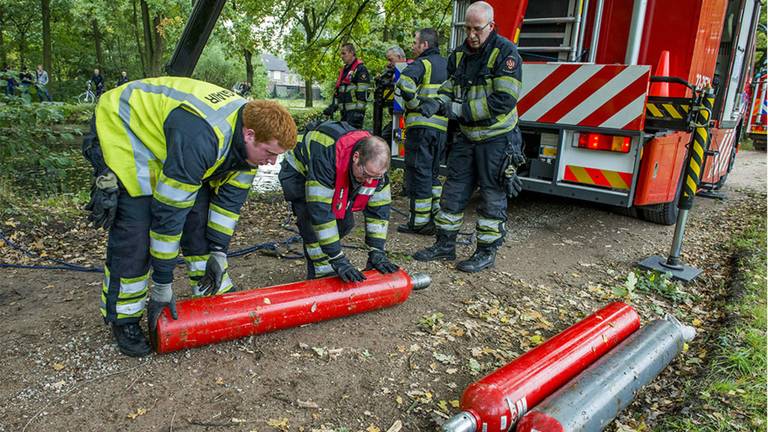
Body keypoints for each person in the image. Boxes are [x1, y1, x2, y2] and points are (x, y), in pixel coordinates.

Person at [82, 77, 297, 357]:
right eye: (270, 153)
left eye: (277, 156)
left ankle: (209, 290)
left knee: (198, 218)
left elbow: (226, 207)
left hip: (175, 138)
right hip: (128, 128)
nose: (272, 162)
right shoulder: (204, 138)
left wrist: (219, 252)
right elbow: (167, 217)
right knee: (136, 231)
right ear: (249, 134)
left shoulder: (251, 148)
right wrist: (162, 284)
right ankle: (124, 318)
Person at [413, 1, 524, 273]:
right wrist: (437, 101)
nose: (472, 35)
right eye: (468, 29)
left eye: (477, 29)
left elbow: (503, 102)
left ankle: (486, 252)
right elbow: (451, 85)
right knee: (453, 191)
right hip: (467, 137)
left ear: (491, 26)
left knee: (491, 195)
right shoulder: (460, 54)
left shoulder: (506, 54)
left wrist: (456, 109)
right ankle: (444, 245)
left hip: (497, 139)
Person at [279, 120, 399, 282]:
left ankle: (327, 256)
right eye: (366, 175)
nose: (369, 181)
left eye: (375, 177)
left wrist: (377, 250)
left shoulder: (375, 168)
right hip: (299, 173)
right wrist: (337, 258)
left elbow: (379, 210)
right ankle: (321, 273)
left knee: (344, 223)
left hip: (335, 169)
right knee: (312, 226)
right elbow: (320, 212)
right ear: (356, 157)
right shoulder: (327, 155)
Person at [395, 28, 448, 236]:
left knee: (419, 174)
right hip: (441, 129)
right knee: (433, 174)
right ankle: (435, 214)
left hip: (421, 128)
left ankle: (419, 222)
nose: (413, 46)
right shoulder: (446, 65)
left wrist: (417, 103)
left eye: (415, 42)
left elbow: (404, 83)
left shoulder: (421, 64)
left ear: (425, 45)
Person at [324, 44, 371, 129]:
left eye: (344, 53)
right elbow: (339, 92)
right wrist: (332, 107)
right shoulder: (344, 71)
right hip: (344, 114)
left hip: (355, 114)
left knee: (353, 139)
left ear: (351, 53)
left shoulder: (360, 69)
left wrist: (359, 112)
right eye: (341, 54)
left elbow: (363, 92)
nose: (341, 56)